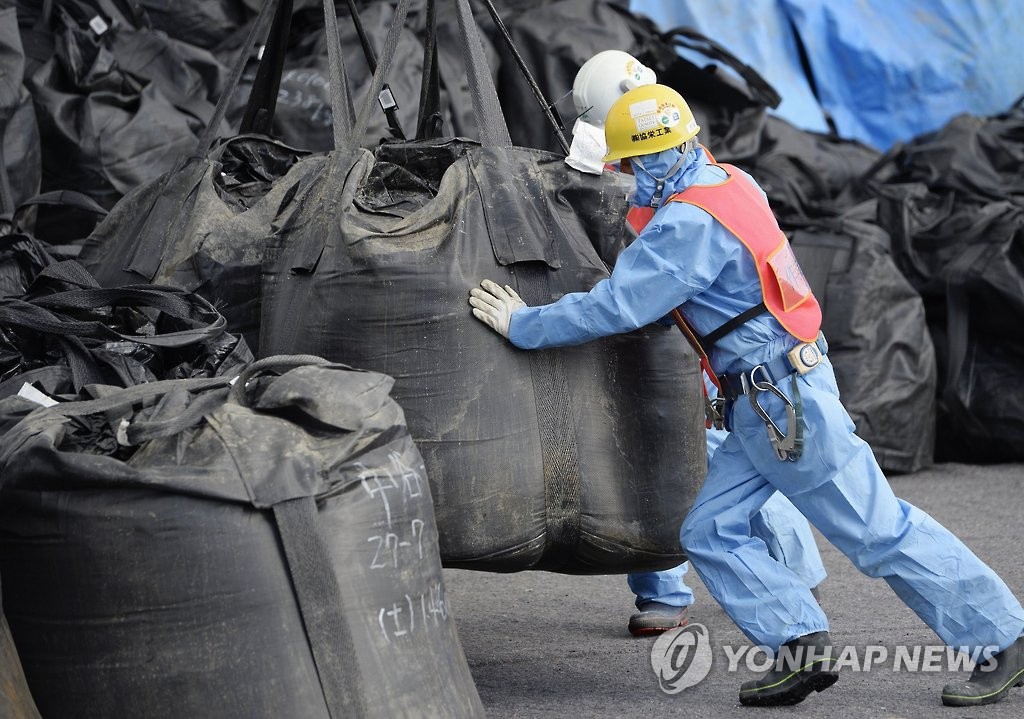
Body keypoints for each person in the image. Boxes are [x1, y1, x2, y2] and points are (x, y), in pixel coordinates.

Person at [469, 82, 1024, 707]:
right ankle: (800, 646)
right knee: (710, 531)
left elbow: (619, 306)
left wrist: (525, 323)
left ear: (653, 158)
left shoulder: (687, 226)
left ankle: (1002, 639)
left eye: (628, 164)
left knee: (878, 532)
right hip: (766, 400)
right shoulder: (730, 182)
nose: (625, 178)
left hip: (782, 405)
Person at [569, 50, 827, 638]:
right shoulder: (639, 143)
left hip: (695, 328)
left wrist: (528, 324)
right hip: (661, 316)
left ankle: (778, 575)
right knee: (677, 450)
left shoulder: (685, 177)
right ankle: (665, 583)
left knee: (724, 451)